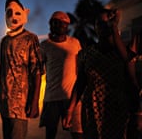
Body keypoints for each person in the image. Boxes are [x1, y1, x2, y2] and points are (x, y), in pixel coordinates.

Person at [63, 8, 140, 139]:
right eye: (99, 23)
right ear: (95, 27)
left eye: (107, 23)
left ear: (114, 24)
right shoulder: (86, 53)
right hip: (91, 109)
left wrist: (137, 113)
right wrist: (70, 109)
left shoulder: (123, 53)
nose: (103, 27)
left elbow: (132, 81)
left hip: (117, 110)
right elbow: (81, 82)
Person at [0, 0, 43, 139]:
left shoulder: (30, 39)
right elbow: (2, 71)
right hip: (4, 103)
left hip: (20, 104)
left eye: (17, 12)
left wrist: (34, 102)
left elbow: (37, 71)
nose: (13, 17)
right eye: (9, 13)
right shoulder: (4, 41)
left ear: (24, 13)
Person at [39, 11, 83, 139]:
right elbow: (37, 70)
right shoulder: (44, 46)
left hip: (72, 97)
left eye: (62, 24)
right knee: (50, 134)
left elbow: (81, 68)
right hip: (51, 98)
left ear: (67, 26)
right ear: (50, 25)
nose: (58, 26)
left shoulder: (75, 43)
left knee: (78, 134)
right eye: (55, 23)